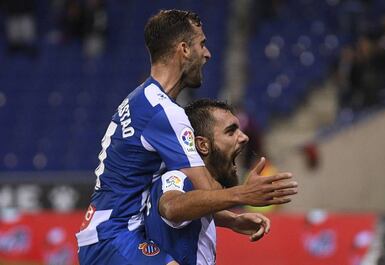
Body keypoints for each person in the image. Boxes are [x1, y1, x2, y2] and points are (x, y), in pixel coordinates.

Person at [77, 9, 297, 264]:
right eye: (201, 44)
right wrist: (244, 195)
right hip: (115, 236)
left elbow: (192, 200)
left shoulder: (141, 99)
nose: (207, 53)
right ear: (184, 49)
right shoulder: (165, 112)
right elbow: (202, 190)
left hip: (104, 233)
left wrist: (232, 219)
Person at [146, 99, 297, 264]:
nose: (244, 138)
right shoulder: (176, 176)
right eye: (231, 132)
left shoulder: (200, 190)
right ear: (203, 145)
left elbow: (197, 208)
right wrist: (242, 194)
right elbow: (171, 207)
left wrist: (232, 220)